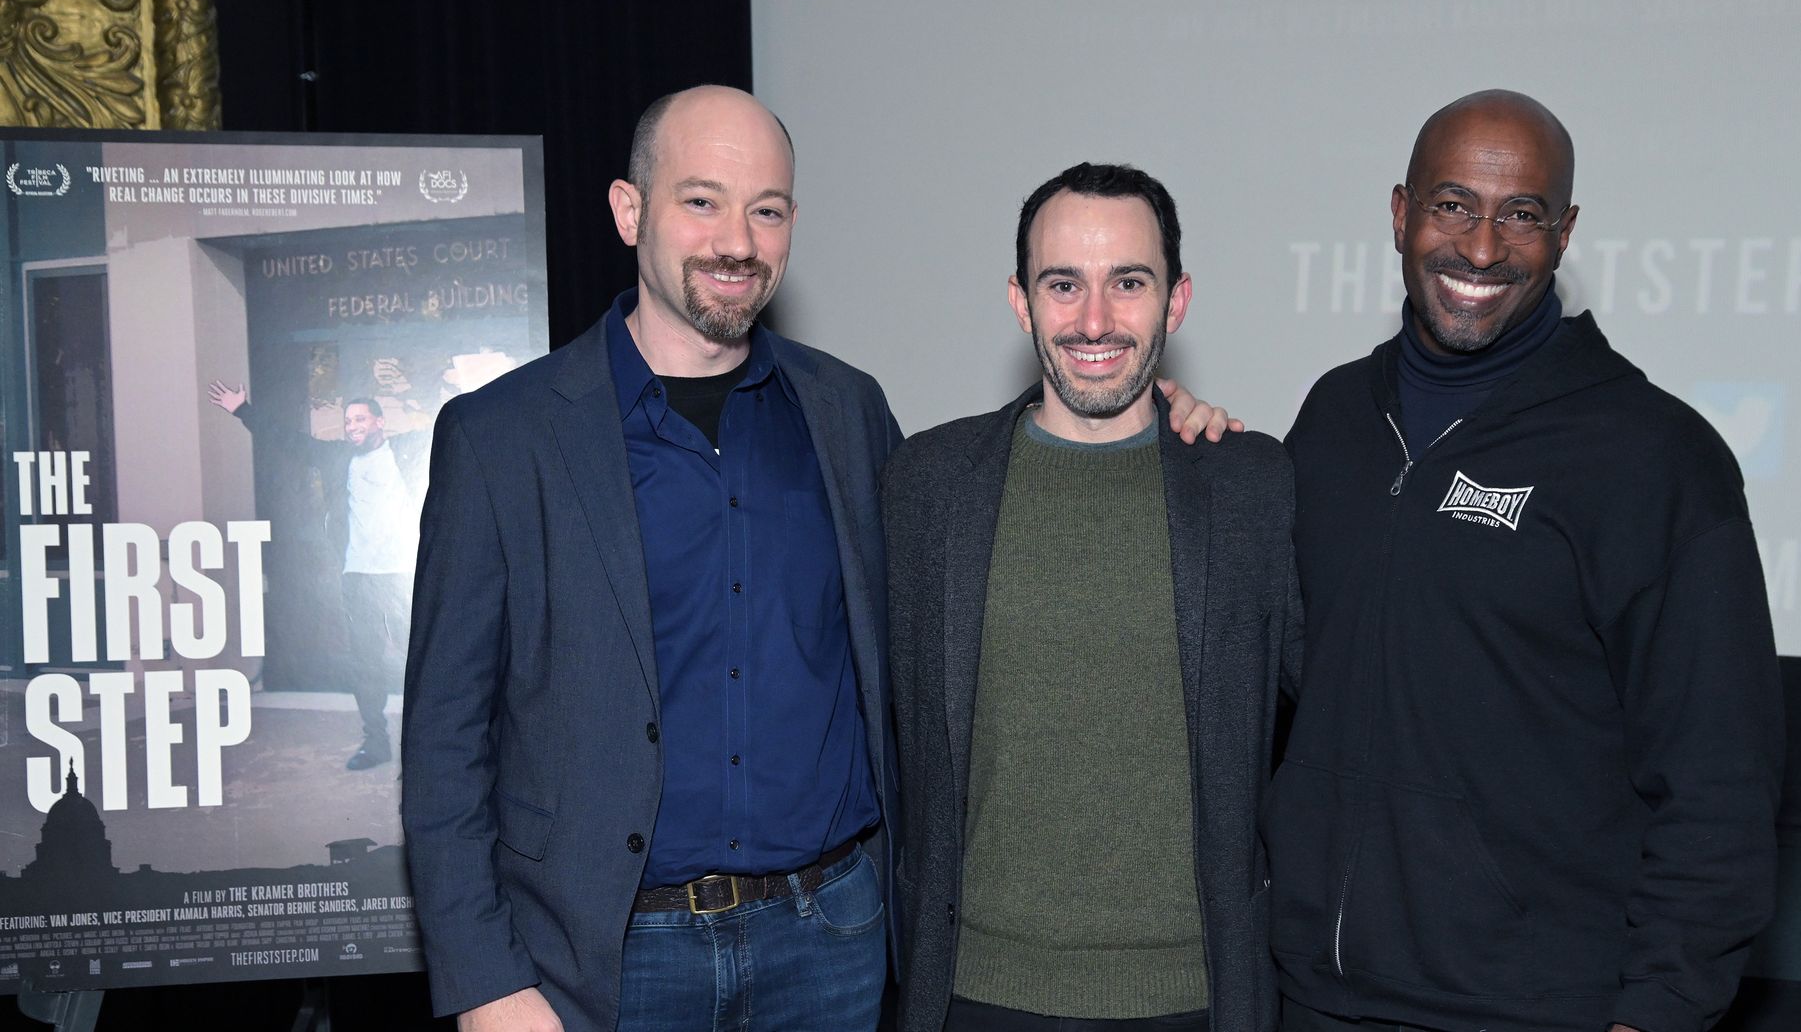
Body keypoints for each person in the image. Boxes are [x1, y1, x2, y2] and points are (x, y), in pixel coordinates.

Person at [401, 87, 1233, 1032]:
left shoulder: (847, 413)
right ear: (630, 211)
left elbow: (1008, 514)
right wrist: (484, 982)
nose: (737, 240)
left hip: (832, 943)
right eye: (702, 201)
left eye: (767, 209)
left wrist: (1158, 411)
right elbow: (443, 744)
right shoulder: (502, 437)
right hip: (607, 963)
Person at [1265, 90, 1784, 1032]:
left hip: (1534, 1006)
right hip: (1314, 994)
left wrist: (1659, 1011)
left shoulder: (1653, 456)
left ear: (1566, 232)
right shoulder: (1332, 420)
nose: (1481, 248)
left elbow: (1719, 780)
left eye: (1523, 215)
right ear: (1400, 212)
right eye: (1453, 204)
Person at [885, 163, 1300, 1032]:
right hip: (974, 997)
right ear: (1020, 300)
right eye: (1063, 284)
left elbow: (1334, 729)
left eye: (1130, 283)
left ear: (1176, 301)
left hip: (1195, 1000)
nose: (1096, 321)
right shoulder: (925, 486)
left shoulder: (1253, 488)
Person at [206, 385, 424, 769]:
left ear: (379, 421)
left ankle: (432, 744)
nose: (352, 427)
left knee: (423, 656)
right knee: (366, 662)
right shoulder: (337, 457)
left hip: (407, 573)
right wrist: (243, 410)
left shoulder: (408, 451)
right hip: (358, 575)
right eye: (347, 421)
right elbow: (288, 441)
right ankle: (376, 742)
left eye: (359, 419)